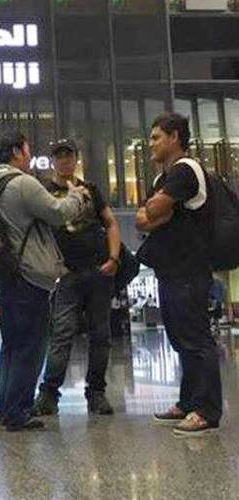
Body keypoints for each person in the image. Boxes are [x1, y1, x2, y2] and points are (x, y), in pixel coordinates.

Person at [0, 131, 86, 431]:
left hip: (4, 274)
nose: (30, 156)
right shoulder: (21, 183)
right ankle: (18, 411)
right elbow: (58, 212)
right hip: (27, 275)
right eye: (27, 150)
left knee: (11, 344)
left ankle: (4, 406)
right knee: (31, 346)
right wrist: (77, 195)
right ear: (16, 152)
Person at [136, 112, 222, 437]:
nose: (151, 144)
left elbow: (152, 211)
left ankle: (207, 410)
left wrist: (158, 212)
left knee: (195, 338)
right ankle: (188, 402)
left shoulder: (186, 170)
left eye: (156, 137)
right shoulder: (163, 179)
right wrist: (158, 212)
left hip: (190, 269)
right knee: (180, 338)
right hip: (170, 270)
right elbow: (143, 219)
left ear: (174, 137)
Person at [32, 138, 120, 416]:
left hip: (97, 271)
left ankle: (96, 393)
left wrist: (113, 258)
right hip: (67, 275)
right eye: (59, 156)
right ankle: (48, 394)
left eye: (68, 155)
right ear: (52, 160)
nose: (64, 160)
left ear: (76, 158)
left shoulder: (90, 190)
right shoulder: (44, 192)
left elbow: (111, 222)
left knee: (101, 335)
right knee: (61, 334)